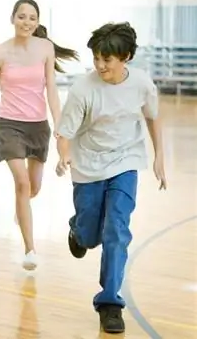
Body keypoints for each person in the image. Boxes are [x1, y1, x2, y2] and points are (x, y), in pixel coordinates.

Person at [55, 22, 167, 334]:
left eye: (108, 59)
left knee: (117, 228)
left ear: (126, 57)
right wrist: (64, 154)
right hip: (88, 164)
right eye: (97, 59)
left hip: (126, 160)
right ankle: (78, 230)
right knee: (91, 236)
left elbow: (153, 117)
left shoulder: (142, 84)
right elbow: (64, 134)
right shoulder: (83, 90)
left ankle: (109, 303)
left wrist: (159, 157)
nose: (101, 65)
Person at [0, 0, 79, 270]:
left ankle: (20, 209)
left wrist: (60, 128)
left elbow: (53, 92)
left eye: (32, 17)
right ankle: (30, 250)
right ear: (12, 19)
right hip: (9, 125)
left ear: (37, 22)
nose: (27, 22)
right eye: (22, 16)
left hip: (38, 126)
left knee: (33, 188)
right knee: (21, 183)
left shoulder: (45, 48)